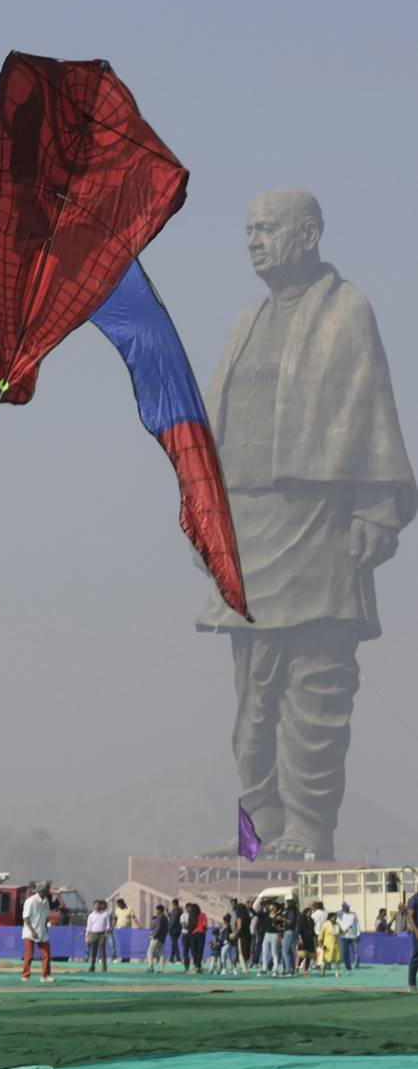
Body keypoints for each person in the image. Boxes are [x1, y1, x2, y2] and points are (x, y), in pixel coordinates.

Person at [196, 189, 416, 861]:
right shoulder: (246, 323)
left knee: (316, 685)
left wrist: (377, 510)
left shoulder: (348, 312)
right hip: (248, 527)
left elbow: (372, 409)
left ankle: (309, 829)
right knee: (251, 699)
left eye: (267, 229)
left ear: (310, 233)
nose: (254, 240)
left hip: (318, 525)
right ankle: (258, 831)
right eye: (249, 229)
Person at [21, 881, 53, 982]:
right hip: (30, 932)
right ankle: (25, 976)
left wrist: (46, 929)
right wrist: (33, 931)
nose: (49, 891)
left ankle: (45, 976)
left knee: (46, 954)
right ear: (42, 890)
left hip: (42, 931)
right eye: (47, 889)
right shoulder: (30, 901)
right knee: (29, 955)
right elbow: (26, 918)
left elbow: (46, 917)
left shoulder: (46, 901)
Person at [86, 900, 111, 973]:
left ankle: (104, 967)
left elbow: (107, 924)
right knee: (93, 951)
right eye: (95, 905)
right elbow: (89, 926)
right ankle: (92, 966)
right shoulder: (91, 915)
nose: (97, 906)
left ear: (100, 906)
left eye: (98, 905)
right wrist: (87, 934)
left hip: (102, 934)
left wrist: (107, 930)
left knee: (102, 950)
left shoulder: (105, 914)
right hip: (93, 934)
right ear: (93, 906)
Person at [258, 901, 282, 976]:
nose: (269, 906)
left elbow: (281, 926)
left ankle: (275, 969)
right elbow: (258, 914)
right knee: (264, 952)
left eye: (271, 905)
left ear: (275, 907)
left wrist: (278, 926)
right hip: (266, 934)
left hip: (274, 935)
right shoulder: (266, 914)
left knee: (274, 952)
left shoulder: (278, 916)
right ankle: (264, 968)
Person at [230, 897, 251, 975]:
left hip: (241, 936)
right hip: (247, 935)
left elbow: (239, 927)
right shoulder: (247, 917)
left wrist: (234, 935)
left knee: (240, 953)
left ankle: (244, 969)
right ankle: (246, 968)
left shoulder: (239, 917)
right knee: (246, 953)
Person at [319, 911, 343, 978]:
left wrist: (347, 929)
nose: (335, 918)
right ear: (330, 917)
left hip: (336, 944)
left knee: (337, 959)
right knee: (326, 959)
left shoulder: (337, 924)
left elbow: (341, 932)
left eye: (336, 917)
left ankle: (337, 973)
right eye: (334, 917)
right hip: (328, 945)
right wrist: (321, 943)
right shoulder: (325, 925)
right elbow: (321, 935)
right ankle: (322, 971)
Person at [146, 904, 169, 973]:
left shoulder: (160, 917)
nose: (156, 911)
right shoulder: (165, 917)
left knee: (150, 952)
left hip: (157, 938)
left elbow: (158, 928)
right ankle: (161, 969)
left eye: (157, 910)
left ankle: (151, 967)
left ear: (159, 910)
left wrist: (154, 935)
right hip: (162, 938)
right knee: (161, 953)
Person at [338, 902, 360, 971]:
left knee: (356, 951)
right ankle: (348, 966)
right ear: (343, 908)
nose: (348, 908)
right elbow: (334, 912)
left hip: (353, 936)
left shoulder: (353, 914)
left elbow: (357, 924)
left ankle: (356, 965)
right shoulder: (340, 915)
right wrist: (341, 910)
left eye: (348, 907)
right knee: (345, 953)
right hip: (344, 936)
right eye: (346, 907)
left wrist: (358, 934)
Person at [112, 898, 134, 963]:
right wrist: (112, 927)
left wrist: (138, 926)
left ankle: (127, 959)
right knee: (122, 945)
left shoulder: (129, 909)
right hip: (120, 930)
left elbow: (134, 917)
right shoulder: (117, 910)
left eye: (119, 904)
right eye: (117, 905)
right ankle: (123, 958)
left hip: (127, 930)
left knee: (127, 944)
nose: (118, 906)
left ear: (122, 903)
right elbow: (115, 919)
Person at [298, 906, 318, 976]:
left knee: (309, 956)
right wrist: (300, 938)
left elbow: (312, 930)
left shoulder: (312, 920)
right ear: (305, 912)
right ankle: (297, 966)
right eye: (309, 912)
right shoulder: (301, 919)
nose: (310, 913)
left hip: (310, 939)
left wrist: (316, 936)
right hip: (303, 938)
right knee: (302, 955)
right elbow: (299, 929)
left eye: (311, 912)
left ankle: (306, 970)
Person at [281, 896, 299, 976]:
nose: (284, 905)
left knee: (285, 951)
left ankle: (288, 969)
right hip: (290, 932)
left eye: (286, 903)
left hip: (289, 932)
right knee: (290, 951)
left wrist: (282, 919)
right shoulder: (293, 911)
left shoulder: (291, 911)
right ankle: (292, 969)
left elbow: (290, 922)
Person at [188, 903, 207, 974]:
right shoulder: (203, 915)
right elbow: (205, 925)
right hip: (201, 934)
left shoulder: (191, 916)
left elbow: (190, 926)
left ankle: (196, 966)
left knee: (194, 951)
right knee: (200, 951)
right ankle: (198, 967)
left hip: (193, 935)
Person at [407, 889, 418, 993]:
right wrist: (416, 931)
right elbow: (410, 916)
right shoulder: (413, 899)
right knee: (416, 958)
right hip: (417, 933)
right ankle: (412, 984)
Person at [167, 898, 182, 963]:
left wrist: (169, 928)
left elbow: (173, 920)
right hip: (178, 929)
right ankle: (171, 958)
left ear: (173, 904)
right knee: (174, 943)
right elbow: (172, 917)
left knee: (175, 943)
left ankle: (178, 958)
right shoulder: (179, 910)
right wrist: (168, 913)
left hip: (174, 930)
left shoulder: (176, 911)